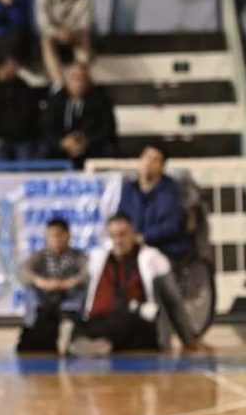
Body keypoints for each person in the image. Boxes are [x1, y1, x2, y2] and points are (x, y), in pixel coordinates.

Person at [69, 214, 204, 356]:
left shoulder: (152, 259)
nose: (118, 241)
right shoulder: (98, 259)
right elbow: (86, 299)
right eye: (113, 236)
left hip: (138, 321)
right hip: (102, 320)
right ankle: (94, 343)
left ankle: (104, 343)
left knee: (128, 321)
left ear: (133, 234)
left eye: (122, 235)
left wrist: (189, 340)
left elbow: (173, 302)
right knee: (78, 325)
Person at [16, 218, 87, 353]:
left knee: (80, 290)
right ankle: (33, 321)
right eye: (51, 236)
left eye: (59, 235)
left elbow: (87, 273)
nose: (56, 239)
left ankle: (68, 321)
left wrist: (72, 282)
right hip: (45, 299)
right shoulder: (40, 256)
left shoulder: (78, 257)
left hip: (68, 298)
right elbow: (23, 272)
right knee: (31, 290)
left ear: (67, 235)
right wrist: (39, 281)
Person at [116, 144, 194, 263]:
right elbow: (120, 218)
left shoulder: (171, 191)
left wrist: (144, 237)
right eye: (146, 157)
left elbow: (172, 226)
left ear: (161, 166)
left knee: (147, 259)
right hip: (132, 247)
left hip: (164, 250)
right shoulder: (129, 189)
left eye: (155, 160)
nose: (149, 163)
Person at [42, 63, 116, 168]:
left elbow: (108, 129)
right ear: (66, 81)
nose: (78, 82)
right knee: (45, 149)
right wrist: (62, 142)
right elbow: (46, 128)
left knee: (107, 148)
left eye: (82, 78)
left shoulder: (100, 100)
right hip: (63, 145)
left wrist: (87, 141)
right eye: (74, 78)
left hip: (91, 145)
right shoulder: (56, 100)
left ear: (88, 81)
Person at [35, 0, 93, 87]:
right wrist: (57, 32)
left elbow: (85, 21)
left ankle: (82, 81)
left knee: (84, 38)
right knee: (46, 41)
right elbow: (43, 24)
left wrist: (70, 31)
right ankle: (59, 84)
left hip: (76, 33)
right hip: (55, 35)